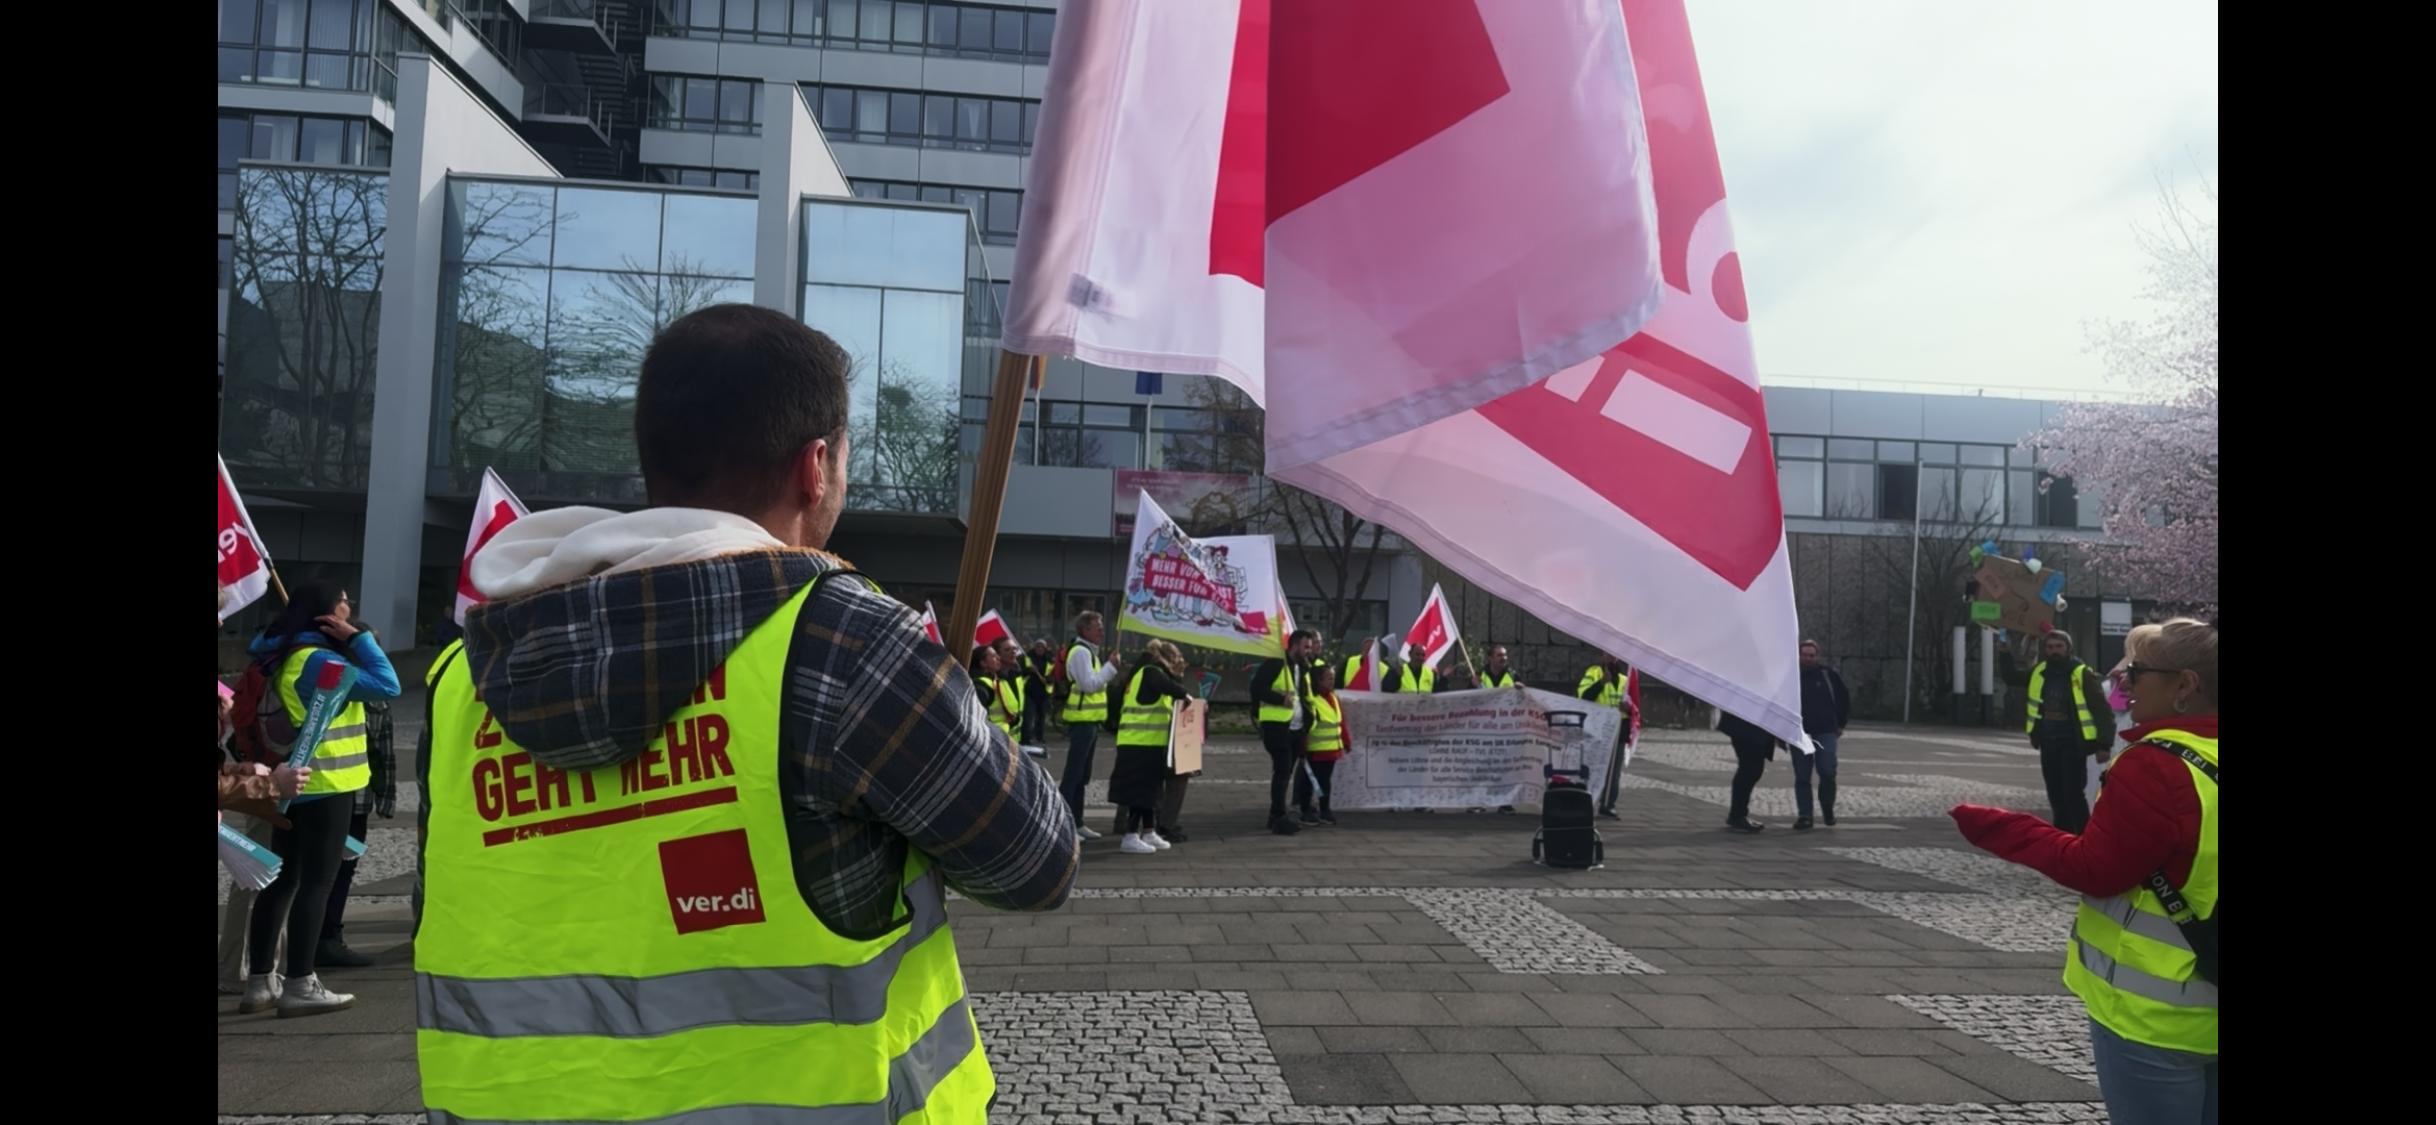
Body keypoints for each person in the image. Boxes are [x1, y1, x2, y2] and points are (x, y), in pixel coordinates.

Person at [424, 304, 1077, 1121]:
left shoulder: (465, 678)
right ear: (815, 466)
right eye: (844, 456)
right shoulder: (845, 645)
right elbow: (1038, 863)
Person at [1950, 618, 2217, 1124]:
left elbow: (2096, 870)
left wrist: (2001, 829)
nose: (2124, 685)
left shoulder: (2156, 766)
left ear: (2185, 685)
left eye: (2136, 673)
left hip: (2158, 1019)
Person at [239, 581, 403, 1019]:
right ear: (327, 613)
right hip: (325, 784)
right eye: (344, 599)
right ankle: (301, 983)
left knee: (284, 880)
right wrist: (360, 639)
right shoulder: (321, 661)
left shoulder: (288, 655)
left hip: (293, 781)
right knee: (316, 883)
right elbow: (387, 685)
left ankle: (261, 982)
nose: (350, 604)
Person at [315, 695, 398, 969]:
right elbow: (384, 748)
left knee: (323, 871)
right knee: (337, 871)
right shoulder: (373, 698)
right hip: (348, 798)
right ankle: (326, 939)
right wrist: (386, 796)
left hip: (323, 794)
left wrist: (386, 796)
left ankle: (323, 937)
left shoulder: (316, 687)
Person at [2027, 629, 2117, 833]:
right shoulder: (2041, 672)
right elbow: (2013, 677)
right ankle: (2061, 833)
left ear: (2068, 648)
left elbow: (2102, 710)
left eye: (2059, 647)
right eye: (2050, 647)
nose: (2054, 651)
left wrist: (2104, 743)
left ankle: (2084, 834)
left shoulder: (2081, 673)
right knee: (2055, 792)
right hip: (2048, 740)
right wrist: (2005, 652)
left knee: (2073, 793)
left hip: (2073, 742)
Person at [1111, 640, 1193, 854]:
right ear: (1166, 658)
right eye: (1175, 659)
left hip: (1148, 742)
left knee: (1151, 791)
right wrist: (1187, 696)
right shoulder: (1151, 671)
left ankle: (1148, 831)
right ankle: (1130, 836)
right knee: (1139, 792)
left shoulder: (1147, 672)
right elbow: (1169, 688)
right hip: (1138, 741)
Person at [1061, 611, 1124, 840]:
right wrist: (1111, 667)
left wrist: (1108, 666)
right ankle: (1066, 824)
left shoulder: (1089, 652)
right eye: (1097, 627)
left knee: (1082, 776)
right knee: (1073, 775)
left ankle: (1077, 822)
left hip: (1090, 722)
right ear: (1084, 630)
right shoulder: (1080, 652)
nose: (1101, 630)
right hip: (1082, 722)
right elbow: (1089, 685)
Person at [1253, 629, 1318, 834]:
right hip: (1277, 726)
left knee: (1285, 772)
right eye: (1306, 647)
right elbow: (1256, 688)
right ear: (1295, 645)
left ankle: (1276, 815)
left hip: (1296, 728)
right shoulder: (1275, 663)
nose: (1309, 651)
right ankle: (1278, 816)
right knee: (1282, 771)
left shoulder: (1302, 667)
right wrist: (1280, 699)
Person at [1791, 639, 1851, 830]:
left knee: (1827, 771)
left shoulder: (1828, 675)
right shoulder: (1792, 677)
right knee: (1802, 776)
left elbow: (1843, 699)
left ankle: (1827, 807)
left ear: (1817, 656)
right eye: (1805, 655)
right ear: (1799, 656)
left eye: (1811, 655)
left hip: (1825, 731)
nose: (1808, 659)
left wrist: (1841, 724)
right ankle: (1805, 815)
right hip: (1799, 733)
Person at [1579, 655, 1634, 819]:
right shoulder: (1593, 672)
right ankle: (1586, 802)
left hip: (1620, 727)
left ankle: (1608, 804)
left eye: (1615, 654)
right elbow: (1583, 695)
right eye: (1608, 653)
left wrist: (1629, 707)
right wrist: (1601, 682)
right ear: (1602, 654)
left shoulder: (1625, 679)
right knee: (1593, 766)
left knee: (1614, 770)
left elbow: (1634, 706)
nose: (1611, 657)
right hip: (1598, 726)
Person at [1296, 665, 1347, 825]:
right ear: (1318, 681)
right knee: (1310, 781)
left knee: (1325, 781)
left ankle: (1324, 810)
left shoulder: (1334, 698)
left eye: (1333, 677)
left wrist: (1346, 740)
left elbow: (1340, 721)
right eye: (1329, 678)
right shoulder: (1312, 700)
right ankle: (1306, 810)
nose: (1333, 680)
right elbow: (1305, 725)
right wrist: (1302, 747)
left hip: (1331, 749)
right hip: (1315, 750)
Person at [1716, 709, 1775, 834]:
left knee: (1751, 768)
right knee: (1750, 769)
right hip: (1746, 725)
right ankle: (1737, 815)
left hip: (1753, 724)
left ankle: (1737, 814)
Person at [972, 644, 1015, 740]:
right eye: (994, 656)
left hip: (1000, 737)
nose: (999, 658)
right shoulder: (981, 686)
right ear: (983, 663)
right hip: (991, 738)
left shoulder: (994, 680)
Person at [1021, 638, 1056, 744]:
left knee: (1041, 716)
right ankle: (1026, 738)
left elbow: (1053, 674)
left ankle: (1039, 736)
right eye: (1037, 646)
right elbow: (1021, 671)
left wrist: (1048, 679)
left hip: (1044, 692)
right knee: (1029, 716)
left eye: (1041, 647)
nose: (1039, 649)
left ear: (1045, 648)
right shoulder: (1028, 658)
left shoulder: (1050, 659)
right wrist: (1029, 670)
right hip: (1030, 691)